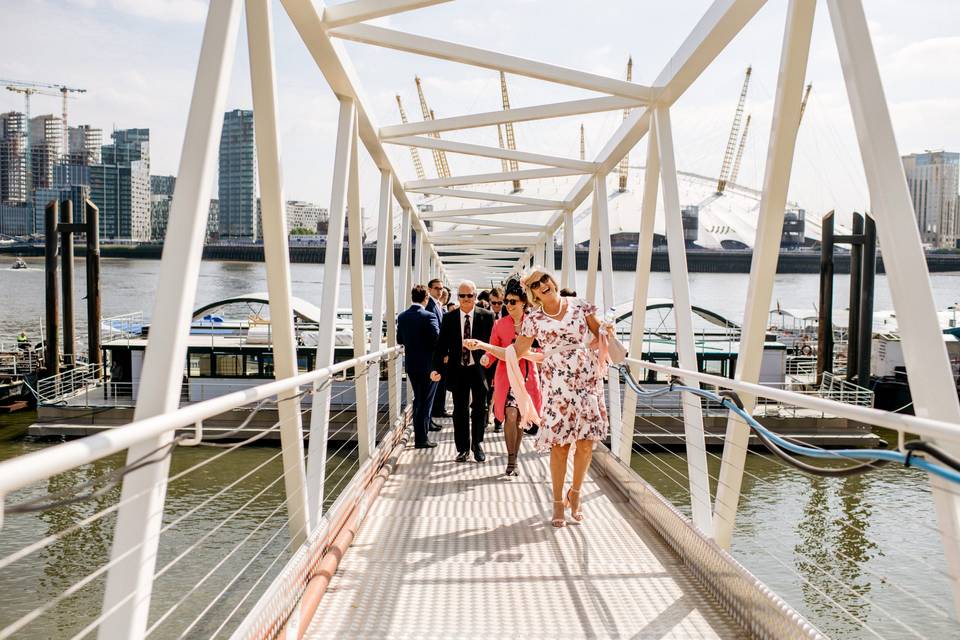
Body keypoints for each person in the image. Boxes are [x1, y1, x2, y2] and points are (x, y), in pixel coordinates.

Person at [516, 268, 610, 528]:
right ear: (532, 293)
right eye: (535, 284)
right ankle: (558, 502)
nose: (542, 285)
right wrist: (485, 347)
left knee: (586, 443)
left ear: (552, 281)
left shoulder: (579, 306)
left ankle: (575, 494)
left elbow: (598, 331)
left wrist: (607, 329)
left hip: (586, 379)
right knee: (560, 446)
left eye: (544, 279)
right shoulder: (533, 318)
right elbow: (517, 350)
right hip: (557, 386)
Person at [476, 280, 542, 476]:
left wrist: (525, 352)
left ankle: (514, 456)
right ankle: (511, 459)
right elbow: (493, 345)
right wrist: (486, 357)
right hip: (506, 376)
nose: (508, 305)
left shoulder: (533, 324)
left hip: (527, 376)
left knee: (521, 417)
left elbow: (541, 350)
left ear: (524, 302)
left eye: (513, 301)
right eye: (507, 301)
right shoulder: (499, 324)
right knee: (510, 415)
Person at [431, 280, 494, 462]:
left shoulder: (487, 316)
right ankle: (463, 448)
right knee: (460, 410)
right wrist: (436, 368)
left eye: (470, 295)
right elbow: (441, 346)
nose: (466, 299)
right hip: (458, 369)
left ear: (475, 296)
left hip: (479, 368)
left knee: (480, 408)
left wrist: (490, 366)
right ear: (458, 297)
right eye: (462, 296)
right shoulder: (450, 318)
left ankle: (478, 444)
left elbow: (492, 345)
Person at [397, 285, 441, 449]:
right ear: (426, 298)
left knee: (419, 400)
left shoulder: (402, 317)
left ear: (412, 297)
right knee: (425, 402)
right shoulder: (429, 316)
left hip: (412, 365)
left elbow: (400, 339)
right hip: (428, 366)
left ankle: (420, 437)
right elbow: (437, 339)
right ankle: (421, 439)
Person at [426, 279, 449, 421]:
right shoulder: (429, 305)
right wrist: (443, 352)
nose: (439, 291)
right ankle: (435, 412)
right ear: (429, 290)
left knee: (440, 383)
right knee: (435, 383)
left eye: (441, 288)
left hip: (440, 352)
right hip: (434, 353)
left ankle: (438, 410)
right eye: (436, 288)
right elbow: (434, 333)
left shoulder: (437, 305)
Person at [486, 286, 506, 432]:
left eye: (500, 303)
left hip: (504, 359)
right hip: (488, 358)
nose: (497, 306)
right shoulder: (484, 315)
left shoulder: (508, 314)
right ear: (490, 302)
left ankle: (499, 420)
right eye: (494, 303)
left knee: (501, 390)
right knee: (487, 390)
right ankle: (487, 417)